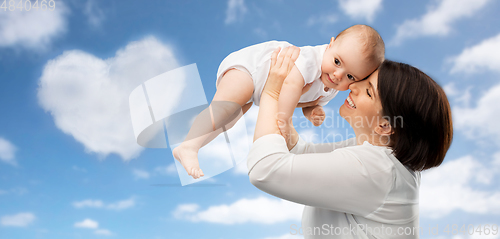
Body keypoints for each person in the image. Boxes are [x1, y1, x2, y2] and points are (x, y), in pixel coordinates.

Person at [248, 47, 453, 238]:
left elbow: (264, 170)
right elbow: (301, 152)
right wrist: (288, 102)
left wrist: (271, 92)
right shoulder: (374, 152)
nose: (353, 85)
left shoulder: (377, 169)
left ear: (384, 126)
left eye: (369, 91)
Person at [174, 25, 385, 179]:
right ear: (330, 45)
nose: (338, 75)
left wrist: (313, 111)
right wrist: (283, 122)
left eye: (350, 77)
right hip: (251, 69)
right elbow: (291, 86)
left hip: (260, 91)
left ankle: (191, 146)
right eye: (337, 62)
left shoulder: (331, 85)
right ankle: (189, 146)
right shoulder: (311, 60)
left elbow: (305, 101)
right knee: (223, 109)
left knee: (228, 121)